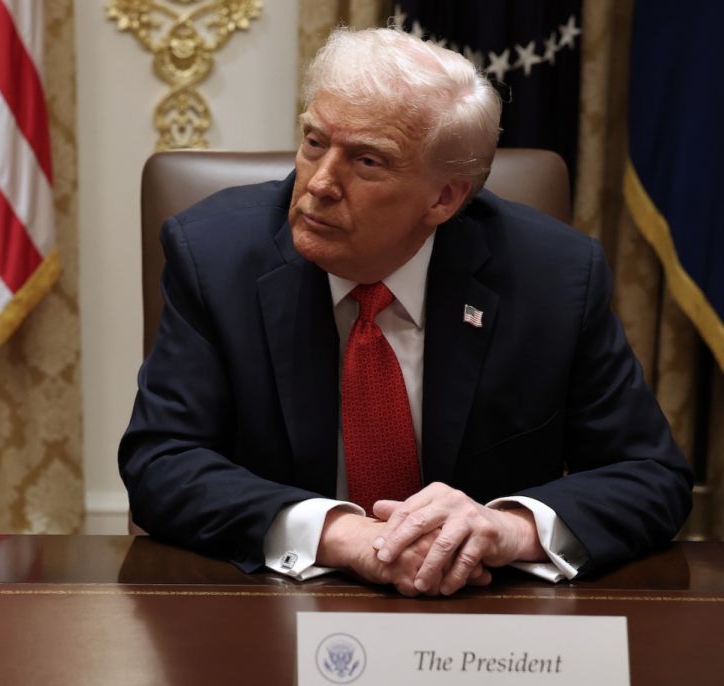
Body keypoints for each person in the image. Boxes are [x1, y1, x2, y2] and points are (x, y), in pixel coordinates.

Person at [119, 27, 692, 596]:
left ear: (445, 198)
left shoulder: (554, 276)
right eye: (314, 142)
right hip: (278, 611)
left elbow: (650, 477)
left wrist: (506, 528)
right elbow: (161, 462)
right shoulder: (215, 258)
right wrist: (344, 536)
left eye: (367, 161)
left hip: (485, 624)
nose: (317, 183)